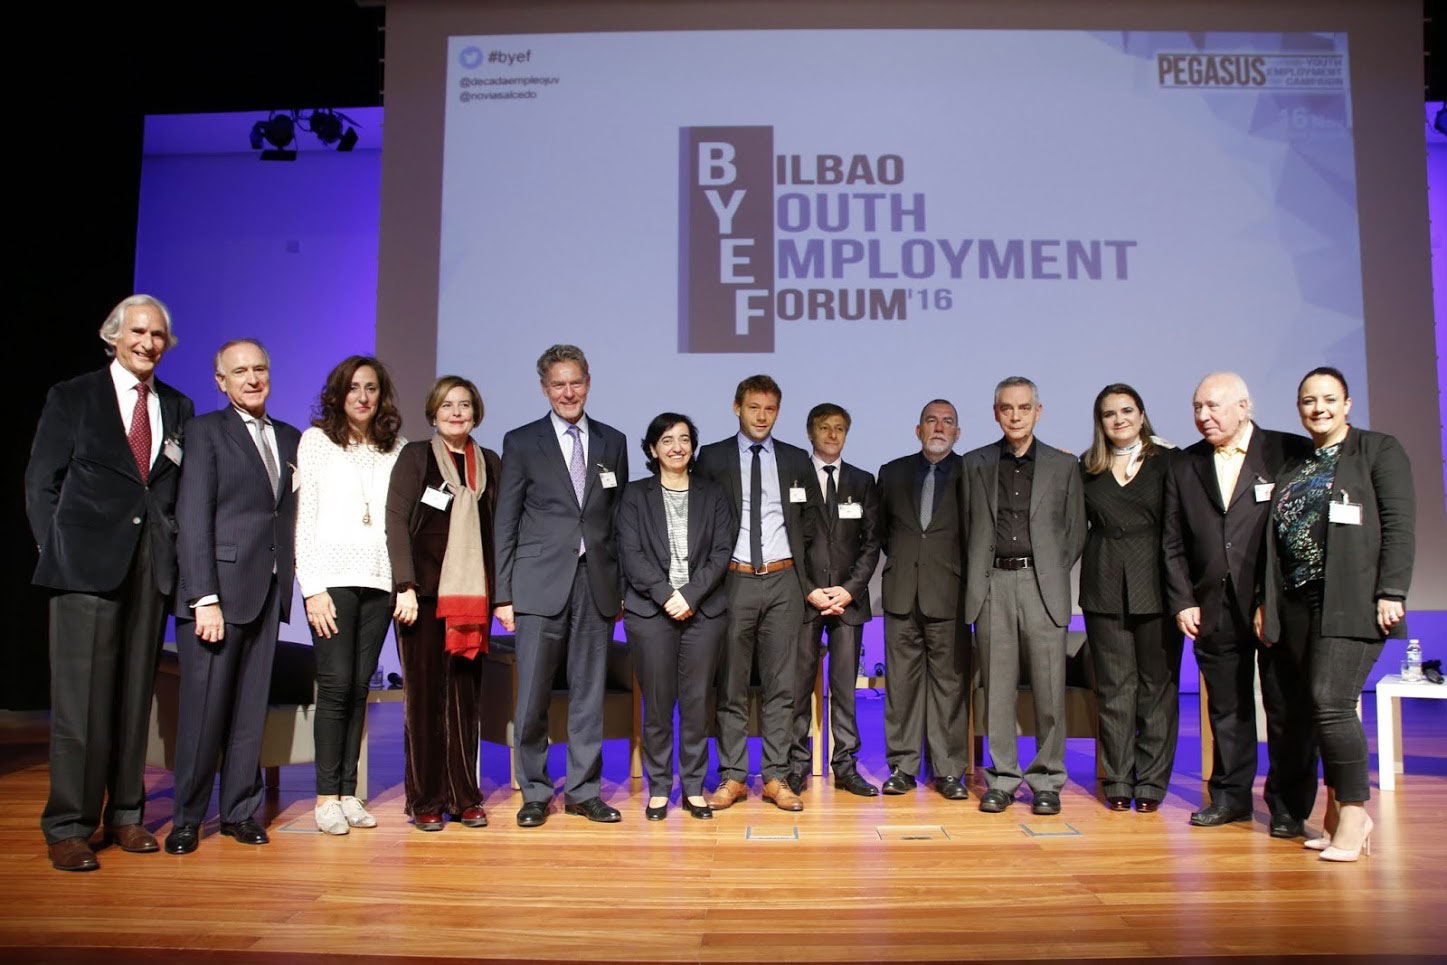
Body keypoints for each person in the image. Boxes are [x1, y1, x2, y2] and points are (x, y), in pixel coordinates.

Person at [25, 294, 194, 871]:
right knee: (82, 704)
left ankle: (125, 814)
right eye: (138, 332)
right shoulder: (73, 396)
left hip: (150, 569)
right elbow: (41, 482)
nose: (148, 343)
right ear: (113, 336)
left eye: (157, 335)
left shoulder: (178, 405)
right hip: (84, 569)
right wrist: (57, 549)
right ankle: (70, 825)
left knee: (133, 698)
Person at [1257, 366, 1414, 861]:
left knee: (1332, 702)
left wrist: (1391, 590)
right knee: (1310, 708)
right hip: (1296, 600)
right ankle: (1333, 812)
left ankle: (1355, 812)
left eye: (1328, 399)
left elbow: (1399, 525)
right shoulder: (1297, 463)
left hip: (1351, 598)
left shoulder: (1377, 449)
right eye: (1309, 400)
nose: (1318, 408)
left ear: (1347, 403)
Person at [1162, 372, 1315, 836]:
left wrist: (1273, 597)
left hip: (1277, 604)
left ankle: (1288, 805)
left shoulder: (1288, 451)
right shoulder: (1185, 463)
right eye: (1197, 407)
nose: (1202, 416)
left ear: (1244, 406)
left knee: (1285, 707)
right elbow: (1172, 540)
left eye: (1213, 406)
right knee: (1226, 709)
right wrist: (1183, 600)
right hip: (1213, 605)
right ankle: (1230, 798)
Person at [165, 339, 300, 854]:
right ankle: (187, 818)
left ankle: (240, 811)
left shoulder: (288, 437)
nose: (252, 378)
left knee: (249, 712)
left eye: (259, 368)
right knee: (203, 715)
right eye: (239, 371)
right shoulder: (205, 432)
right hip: (216, 596)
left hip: (265, 592)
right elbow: (192, 517)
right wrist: (203, 597)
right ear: (220, 382)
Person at [494, 344, 629, 827]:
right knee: (532, 695)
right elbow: (506, 520)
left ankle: (583, 791)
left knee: (588, 695)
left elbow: (617, 521)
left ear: (588, 383)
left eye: (575, 383)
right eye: (558, 384)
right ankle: (534, 791)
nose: (568, 393)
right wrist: (503, 594)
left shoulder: (613, 441)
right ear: (544, 388)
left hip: (596, 584)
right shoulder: (521, 441)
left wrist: (620, 587)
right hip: (537, 585)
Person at [963, 377, 1086, 816]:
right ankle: (1002, 779)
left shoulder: (1063, 465)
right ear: (996, 412)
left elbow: (1075, 529)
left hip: (1041, 585)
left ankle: (1047, 780)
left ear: (1038, 411)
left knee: (1050, 690)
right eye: (1007, 408)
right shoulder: (974, 463)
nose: (1015, 416)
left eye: (1024, 407)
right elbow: (966, 526)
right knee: (997, 689)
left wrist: (1049, 570)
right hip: (993, 584)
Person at [296, 355, 407, 835]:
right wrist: (312, 588)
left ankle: (347, 792)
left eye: (372, 388)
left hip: (379, 580)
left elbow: (400, 521)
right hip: (333, 580)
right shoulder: (317, 441)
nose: (363, 397)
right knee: (336, 685)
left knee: (360, 686)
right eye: (354, 387)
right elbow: (305, 518)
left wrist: (403, 582)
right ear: (338, 393)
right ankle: (326, 797)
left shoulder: (396, 448)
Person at [695, 375, 817, 812]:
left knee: (781, 686)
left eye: (769, 409)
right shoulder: (712, 457)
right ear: (737, 408)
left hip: (784, 581)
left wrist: (807, 582)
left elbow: (810, 522)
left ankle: (776, 776)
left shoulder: (796, 458)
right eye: (753, 408)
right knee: (730, 685)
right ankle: (731, 776)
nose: (762, 417)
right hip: (734, 580)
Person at [385, 376, 501, 831]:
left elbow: (498, 533)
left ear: (476, 413)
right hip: (423, 597)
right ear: (433, 412)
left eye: (464, 405)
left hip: (473, 598)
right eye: (447, 405)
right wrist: (405, 585)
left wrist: (501, 596)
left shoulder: (489, 463)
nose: (456, 412)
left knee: (465, 701)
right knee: (425, 701)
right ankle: (427, 799)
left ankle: (465, 796)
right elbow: (396, 522)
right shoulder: (416, 456)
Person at [617, 413, 733, 820]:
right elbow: (630, 552)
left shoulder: (712, 494)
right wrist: (667, 595)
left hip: (703, 612)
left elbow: (722, 551)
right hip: (652, 613)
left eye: (684, 439)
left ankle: (694, 787)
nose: (676, 447)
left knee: (697, 704)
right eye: (667, 440)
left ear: (693, 447)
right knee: (658, 703)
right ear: (653, 449)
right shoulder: (635, 495)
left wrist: (690, 595)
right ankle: (659, 787)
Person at [1078, 384, 1182, 813]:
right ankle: (1119, 778)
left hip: (1157, 586)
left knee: (1157, 688)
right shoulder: (1087, 467)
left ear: (1141, 415)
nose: (1118, 419)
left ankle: (1152, 781)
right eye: (1109, 414)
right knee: (1114, 689)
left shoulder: (1170, 461)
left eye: (1126, 411)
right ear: (1100, 422)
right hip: (1103, 586)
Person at [875, 400, 970, 800]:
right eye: (931, 420)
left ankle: (948, 771)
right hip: (902, 594)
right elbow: (882, 532)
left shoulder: (972, 472)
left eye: (948, 422)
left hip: (950, 595)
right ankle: (902, 767)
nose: (939, 427)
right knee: (901, 687)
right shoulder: (892, 472)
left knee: (950, 685)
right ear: (918, 430)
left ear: (957, 433)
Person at [789, 403, 882, 798]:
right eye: (824, 427)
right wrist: (809, 588)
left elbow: (872, 542)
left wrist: (850, 588)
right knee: (798, 687)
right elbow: (788, 538)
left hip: (848, 600)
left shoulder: (862, 480)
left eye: (839, 428)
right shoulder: (793, 477)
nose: (832, 434)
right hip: (804, 598)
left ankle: (845, 765)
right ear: (811, 432)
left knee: (845, 688)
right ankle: (795, 764)